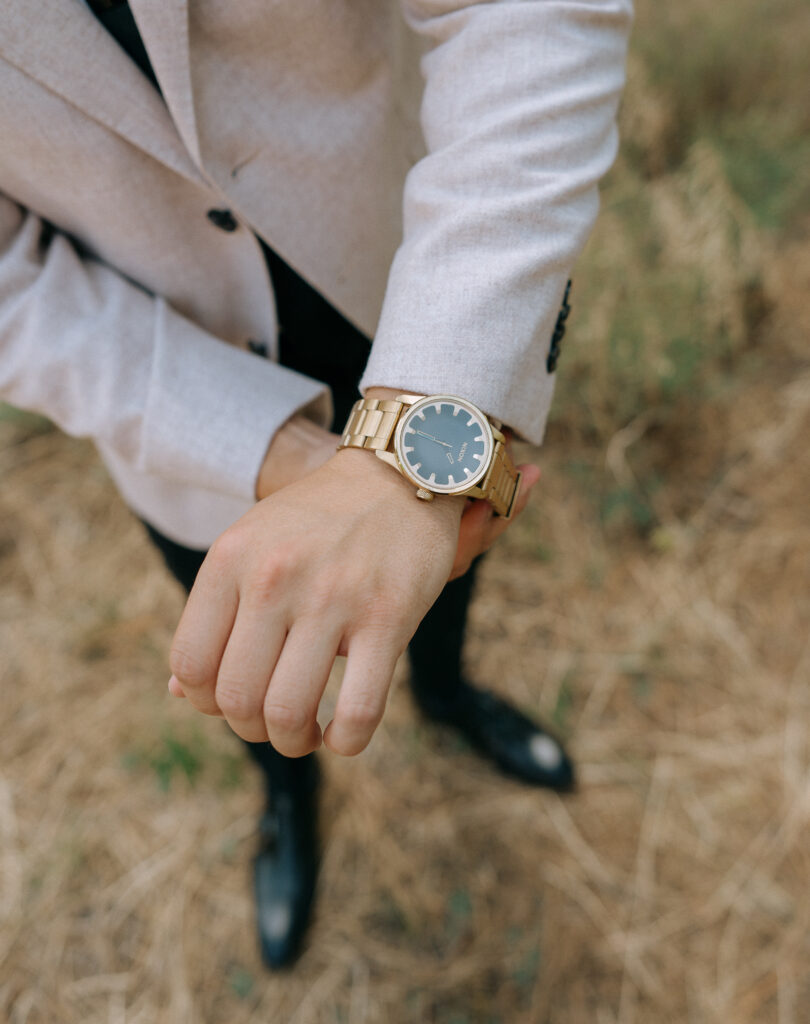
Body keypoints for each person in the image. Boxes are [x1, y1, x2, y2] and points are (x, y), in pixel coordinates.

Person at [0, 0, 633, 968]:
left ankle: (450, 696)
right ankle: (286, 797)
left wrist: (422, 412)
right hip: (176, 399)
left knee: (443, 583)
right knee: (244, 665)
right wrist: (279, 453)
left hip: (408, 296)